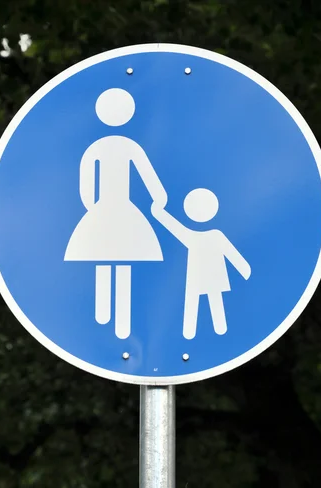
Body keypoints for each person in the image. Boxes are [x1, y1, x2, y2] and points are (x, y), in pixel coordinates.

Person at [64, 88, 166, 339]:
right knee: (122, 258)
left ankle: (107, 316)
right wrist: (159, 198)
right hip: (121, 209)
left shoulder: (97, 148)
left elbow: (86, 186)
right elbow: (149, 177)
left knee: (105, 256)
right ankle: (115, 321)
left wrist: (93, 209)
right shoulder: (128, 146)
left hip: (104, 209)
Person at [151, 188, 251, 338]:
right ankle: (197, 333)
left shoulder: (200, 236)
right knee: (201, 301)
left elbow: (231, 253)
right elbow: (174, 227)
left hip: (204, 276)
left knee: (203, 301)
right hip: (202, 276)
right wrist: (244, 270)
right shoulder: (206, 236)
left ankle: (207, 333)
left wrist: (244, 269)